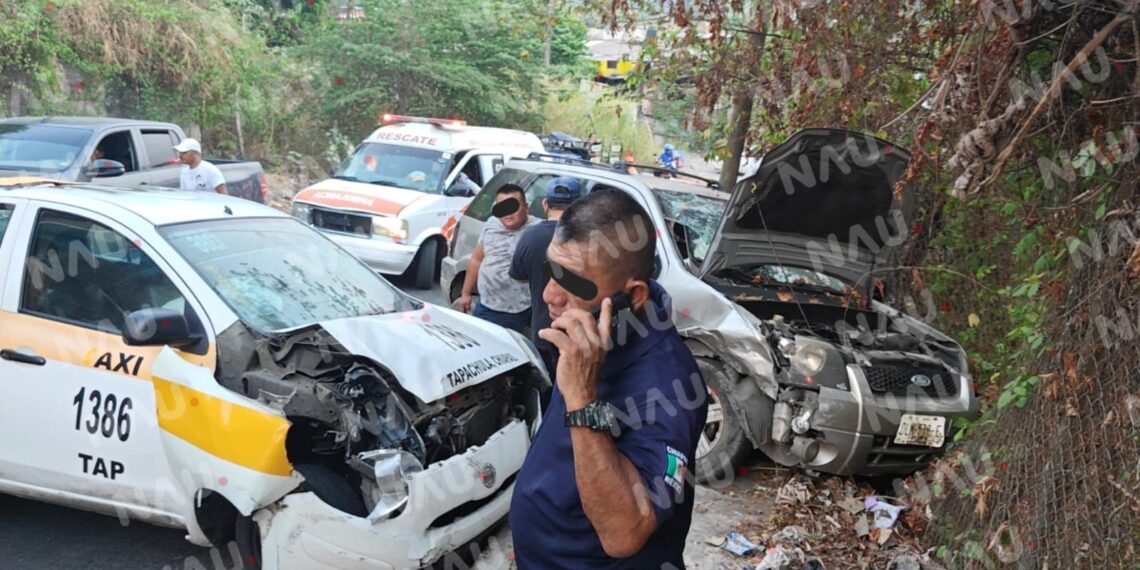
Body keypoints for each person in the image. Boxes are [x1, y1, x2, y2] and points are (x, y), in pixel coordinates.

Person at [510, 188, 708, 568]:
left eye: (575, 283)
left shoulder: (671, 386)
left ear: (632, 296)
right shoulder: (595, 340)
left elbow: (625, 533)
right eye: (552, 270)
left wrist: (583, 401)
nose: (550, 295)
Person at [509, 177, 583, 376]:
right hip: (577, 333)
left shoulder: (529, 237)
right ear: (579, 207)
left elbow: (518, 276)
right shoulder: (588, 238)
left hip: (542, 329)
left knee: (546, 387)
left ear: (545, 204)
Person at [457, 184, 537, 333]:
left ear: (526, 207)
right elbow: (476, 259)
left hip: (521, 310)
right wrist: (466, 294)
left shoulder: (537, 230)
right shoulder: (491, 224)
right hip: (487, 306)